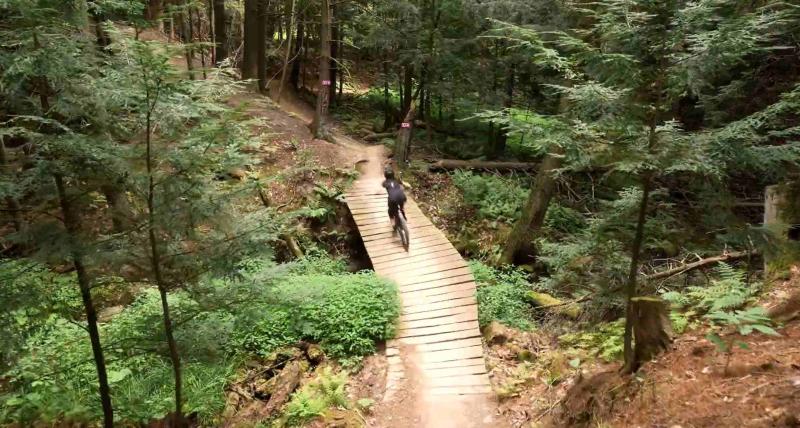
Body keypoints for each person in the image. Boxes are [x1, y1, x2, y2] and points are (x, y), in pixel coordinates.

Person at [382, 165, 407, 230]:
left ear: (385, 175)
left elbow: (383, 185)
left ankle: (393, 223)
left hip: (392, 198)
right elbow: (402, 186)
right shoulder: (397, 180)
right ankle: (402, 209)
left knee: (390, 211)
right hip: (402, 196)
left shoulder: (385, 182)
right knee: (402, 205)